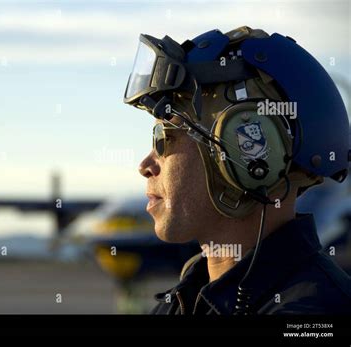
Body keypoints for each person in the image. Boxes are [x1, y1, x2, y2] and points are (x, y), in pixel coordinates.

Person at [123, 26, 351, 314]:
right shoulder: (181, 303)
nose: (145, 166)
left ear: (248, 151)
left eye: (165, 139)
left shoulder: (316, 313)